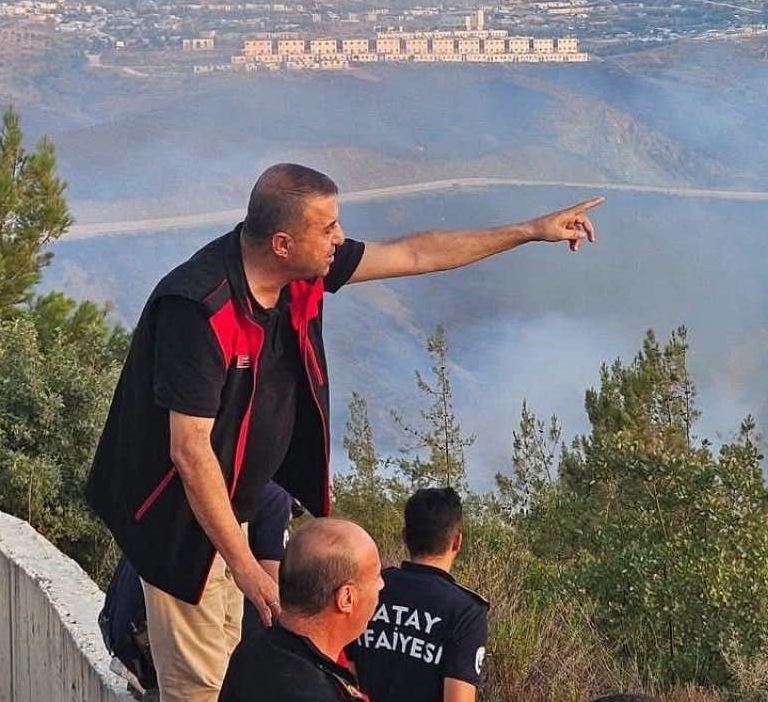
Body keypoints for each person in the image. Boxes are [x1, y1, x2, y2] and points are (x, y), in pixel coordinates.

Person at [85, 162, 603, 702]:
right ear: (283, 243)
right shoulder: (198, 308)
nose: (340, 239)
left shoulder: (298, 274)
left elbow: (416, 253)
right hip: (179, 524)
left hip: (233, 510)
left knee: (238, 674)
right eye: (328, 228)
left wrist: (529, 230)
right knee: (198, 691)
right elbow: (190, 452)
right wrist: (245, 566)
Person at [98, 482, 296, 697]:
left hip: (128, 640)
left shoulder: (220, 486)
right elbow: (274, 593)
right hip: (165, 653)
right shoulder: (275, 498)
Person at [347, 488, 488, 702]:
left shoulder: (369, 587)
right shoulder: (465, 612)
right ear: (457, 542)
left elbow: (341, 671)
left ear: (405, 536)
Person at [219, 519, 384, 702]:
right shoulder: (316, 693)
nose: (381, 585)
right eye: (376, 576)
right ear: (346, 598)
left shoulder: (252, 649)